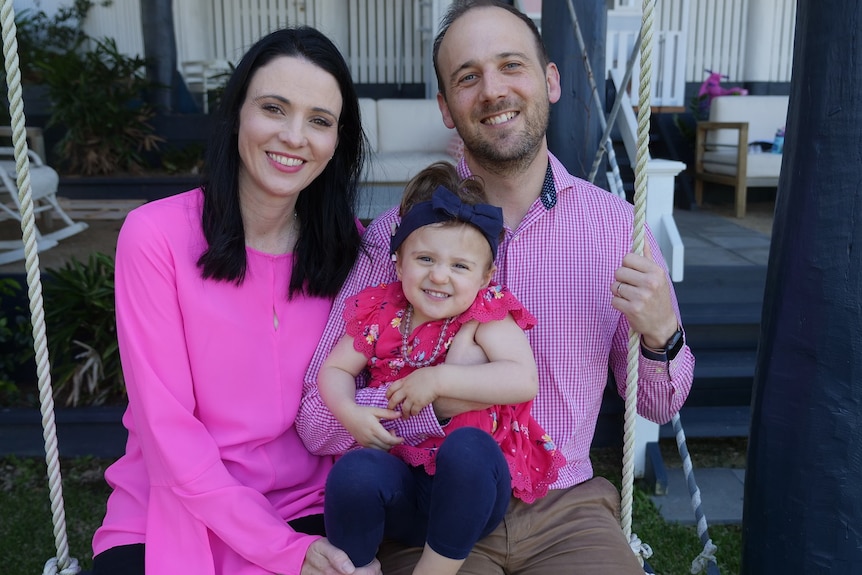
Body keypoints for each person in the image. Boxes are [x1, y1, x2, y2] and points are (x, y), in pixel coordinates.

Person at [297, 1, 696, 573]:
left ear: (550, 81)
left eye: (512, 65)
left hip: (562, 508)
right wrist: (427, 403)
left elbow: (660, 403)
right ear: (445, 106)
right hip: (428, 501)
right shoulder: (397, 241)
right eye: (467, 77)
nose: (492, 91)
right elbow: (316, 415)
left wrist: (662, 335)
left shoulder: (613, 230)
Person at [90, 27, 382, 575]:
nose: (294, 136)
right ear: (237, 115)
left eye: (319, 120)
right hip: (168, 508)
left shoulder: (351, 249)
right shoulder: (154, 238)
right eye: (274, 108)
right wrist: (282, 551)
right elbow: (170, 433)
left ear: (338, 141)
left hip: (308, 509)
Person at [314, 163, 565, 575]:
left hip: (470, 494)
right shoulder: (382, 311)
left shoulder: (485, 315)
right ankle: (356, 566)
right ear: (398, 264)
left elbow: (522, 379)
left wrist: (439, 378)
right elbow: (335, 369)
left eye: (460, 266)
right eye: (425, 258)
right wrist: (349, 413)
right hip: (404, 486)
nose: (439, 276)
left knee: (468, 449)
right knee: (354, 471)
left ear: (487, 276)